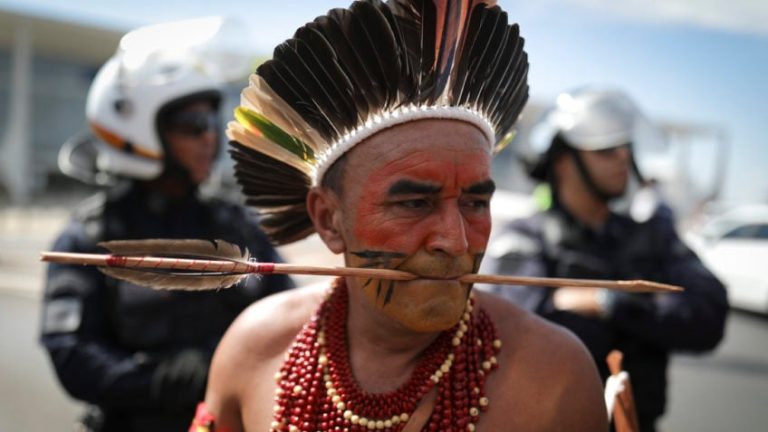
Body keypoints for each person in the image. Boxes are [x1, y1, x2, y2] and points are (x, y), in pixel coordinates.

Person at [190, 1, 608, 431]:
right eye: (415, 204)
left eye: (475, 203)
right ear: (330, 219)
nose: (457, 241)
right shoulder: (255, 347)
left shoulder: (556, 376)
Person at [39, 19, 293, 432]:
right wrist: (160, 379)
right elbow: (72, 354)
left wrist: (229, 365)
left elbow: (288, 316)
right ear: (136, 125)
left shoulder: (236, 225)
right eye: (193, 125)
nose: (210, 138)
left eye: (213, 122)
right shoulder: (89, 236)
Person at [482, 87, 728, 431]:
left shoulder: (652, 236)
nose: (623, 159)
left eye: (626, 147)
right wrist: (648, 312)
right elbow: (517, 329)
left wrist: (605, 301)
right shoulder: (525, 238)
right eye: (606, 150)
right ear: (564, 161)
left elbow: (709, 315)